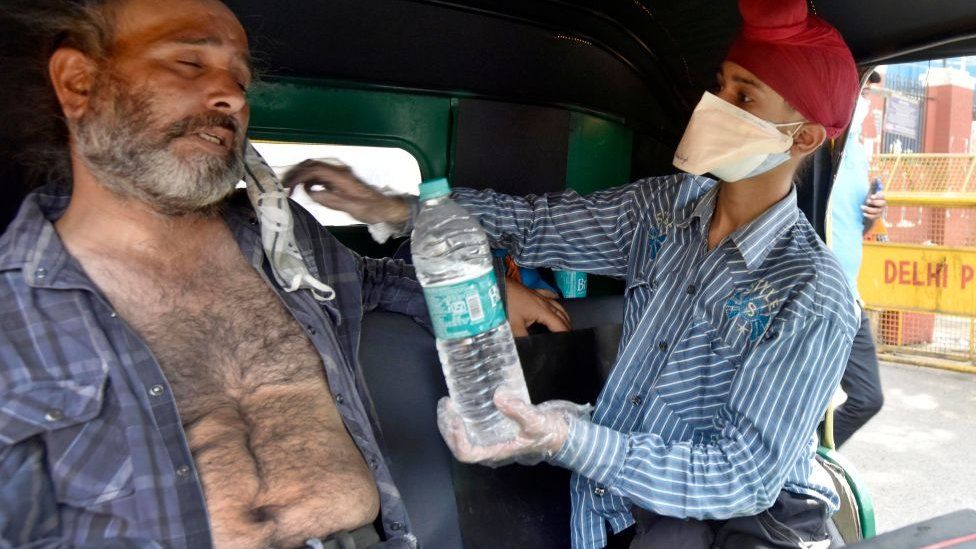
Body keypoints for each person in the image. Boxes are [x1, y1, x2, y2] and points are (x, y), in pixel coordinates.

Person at [290, 0, 862, 547]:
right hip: (604, 507)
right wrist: (389, 207)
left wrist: (567, 437)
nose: (716, 104)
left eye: (745, 96)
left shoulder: (810, 292)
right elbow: (531, 225)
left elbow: (744, 477)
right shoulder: (664, 210)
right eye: (720, 84)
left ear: (804, 137)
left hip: (717, 528)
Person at [0, 1, 449, 547]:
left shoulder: (280, 237)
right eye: (190, 63)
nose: (233, 97)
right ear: (79, 84)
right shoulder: (14, 308)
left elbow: (369, 280)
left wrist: (492, 289)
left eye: (240, 80)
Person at [828, 71, 887, 447]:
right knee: (802, 397)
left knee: (868, 398)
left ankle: (809, 453)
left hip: (849, 296)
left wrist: (874, 212)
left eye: (868, 91)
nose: (864, 99)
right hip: (818, 294)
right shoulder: (821, 149)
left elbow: (855, 223)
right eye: (860, 89)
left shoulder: (859, 154)